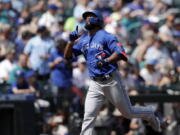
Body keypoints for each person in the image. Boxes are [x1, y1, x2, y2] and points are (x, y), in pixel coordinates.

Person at [64, 10, 163, 135]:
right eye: (86, 18)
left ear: (98, 19)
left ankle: (149, 112)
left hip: (111, 80)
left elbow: (120, 53)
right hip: (95, 83)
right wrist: (70, 42)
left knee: (128, 113)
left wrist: (106, 61)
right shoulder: (83, 39)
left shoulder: (107, 36)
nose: (87, 20)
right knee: (88, 116)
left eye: (90, 17)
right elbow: (68, 57)